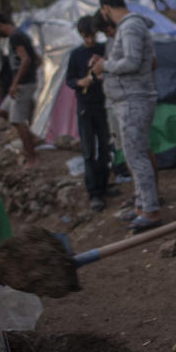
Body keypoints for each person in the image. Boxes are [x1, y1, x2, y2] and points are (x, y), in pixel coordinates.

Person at [91, 0, 161, 233]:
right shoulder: (129, 26)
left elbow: (132, 62)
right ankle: (142, 205)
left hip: (134, 98)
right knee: (133, 155)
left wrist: (105, 66)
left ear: (105, 8)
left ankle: (151, 210)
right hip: (129, 98)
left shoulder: (129, 27)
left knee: (137, 156)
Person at [65, 16, 112, 212]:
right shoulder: (76, 55)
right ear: (81, 35)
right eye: (86, 37)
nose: (90, 40)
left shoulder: (103, 50)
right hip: (85, 106)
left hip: (103, 103)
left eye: (92, 36)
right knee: (88, 149)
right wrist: (80, 83)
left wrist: (102, 77)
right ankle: (93, 191)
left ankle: (104, 184)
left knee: (105, 146)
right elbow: (70, 80)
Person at [0, 12, 40, 167]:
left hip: (23, 83)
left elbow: (26, 59)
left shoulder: (15, 37)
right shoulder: (20, 35)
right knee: (3, 111)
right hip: (26, 81)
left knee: (18, 121)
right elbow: (36, 58)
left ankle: (31, 158)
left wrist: (16, 83)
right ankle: (32, 137)